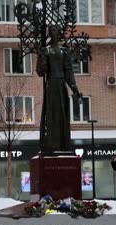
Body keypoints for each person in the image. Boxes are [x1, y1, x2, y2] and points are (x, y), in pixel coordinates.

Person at [36, 25, 83, 154]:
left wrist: (75, 89)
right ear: (49, 34)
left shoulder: (64, 51)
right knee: (51, 114)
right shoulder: (46, 50)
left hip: (61, 84)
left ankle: (63, 143)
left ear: (59, 34)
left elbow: (69, 72)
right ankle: (51, 143)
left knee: (62, 114)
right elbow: (40, 72)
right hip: (51, 84)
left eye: (56, 31)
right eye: (51, 31)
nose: (54, 33)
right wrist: (41, 58)